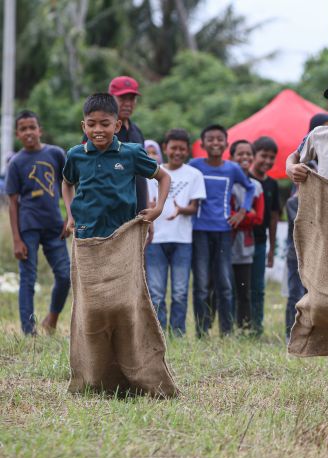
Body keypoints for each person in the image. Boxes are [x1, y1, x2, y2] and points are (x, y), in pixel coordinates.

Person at [62, 93, 170, 238]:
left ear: (117, 125)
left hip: (124, 234)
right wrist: (70, 216)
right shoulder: (75, 155)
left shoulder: (132, 153)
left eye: (105, 124)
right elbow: (67, 183)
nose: (98, 129)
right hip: (85, 235)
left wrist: (158, 208)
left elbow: (164, 177)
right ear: (83, 126)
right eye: (91, 124)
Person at [6, 110, 71, 336]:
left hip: (55, 226)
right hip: (28, 228)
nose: (28, 132)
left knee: (65, 275)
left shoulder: (56, 154)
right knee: (28, 278)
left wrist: (69, 217)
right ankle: (28, 331)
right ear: (17, 134)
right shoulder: (16, 163)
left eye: (32, 127)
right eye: (23, 129)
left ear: (40, 130)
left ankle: (52, 318)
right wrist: (16, 239)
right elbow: (13, 203)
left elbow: (68, 186)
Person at [189, 124, 255, 338]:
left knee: (224, 283)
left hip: (224, 231)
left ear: (226, 144)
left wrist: (242, 212)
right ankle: (201, 331)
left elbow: (250, 187)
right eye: (211, 139)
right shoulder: (194, 165)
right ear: (203, 144)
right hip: (199, 231)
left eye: (219, 139)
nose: (215, 143)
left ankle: (226, 332)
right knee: (201, 284)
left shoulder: (232, 169)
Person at [145, 129, 206, 337]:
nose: (177, 152)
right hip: (155, 239)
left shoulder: (194, 175)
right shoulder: (152, 172)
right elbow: (147, 203)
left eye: (182, 148)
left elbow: (195, 207)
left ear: (188, 150)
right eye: (174, 148)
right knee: (156, 292)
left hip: (182, 240)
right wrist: (150, 206)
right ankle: (159, 334)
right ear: (165, 148)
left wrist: (181, 209)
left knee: (180, 292)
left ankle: (177, 333)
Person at [284, 114, 328, 340]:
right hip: (300, 241)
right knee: (296, 290)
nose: (327, 135)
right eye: (322, 130)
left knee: (321, 291)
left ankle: (318, 335)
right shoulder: (304, 163)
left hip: (327, 240)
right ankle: (292, 335)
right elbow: (295, 203)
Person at [229, 139, 264, 332]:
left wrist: (238, 218)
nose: (245, 157)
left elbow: (259, 218)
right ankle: (224, 327)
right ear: (231, 157)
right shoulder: (228, 183)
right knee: (225, 290)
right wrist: (245, 216)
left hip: (246, 246)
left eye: (248, 154)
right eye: (240, 154)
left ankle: (244, 327)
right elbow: (225, 214)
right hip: (226, 244)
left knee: (244, 290)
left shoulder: (256, 186)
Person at [249, 136, 281, 336]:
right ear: (254, 155)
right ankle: (239, 323)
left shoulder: (273, 184)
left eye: (272, 157)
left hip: (260, 243)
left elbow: (274, 217)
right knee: (239, 285)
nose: (268, 161)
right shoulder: (243, 178)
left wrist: (271, 249)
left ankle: (256, 328)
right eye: (264, 156)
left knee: (258, 288)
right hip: (240, 241)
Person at [108, 76, 149, 215]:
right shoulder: (100, 131)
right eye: (122, 98)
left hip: (139, 212)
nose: (127, 103)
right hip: (111, 213)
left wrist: (147, 210)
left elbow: (143, 174)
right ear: (111, 98)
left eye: (131, 99)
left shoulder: (136, 131)